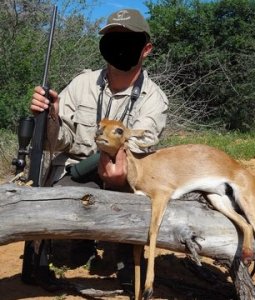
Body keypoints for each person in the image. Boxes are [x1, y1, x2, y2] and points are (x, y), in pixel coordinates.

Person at [26, 8, 169, 294]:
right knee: (64, 195)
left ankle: (126, 255)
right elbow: (58, 141)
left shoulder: (154, 99)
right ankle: (75, 246)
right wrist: (51, 117)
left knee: (126, 186)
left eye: (129, 41)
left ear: (146, 49)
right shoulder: (82, 83)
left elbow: (136, 152)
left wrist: (118, 171)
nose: (120, 47)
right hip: (78, 171)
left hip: (124, 172)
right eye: (113, 39)